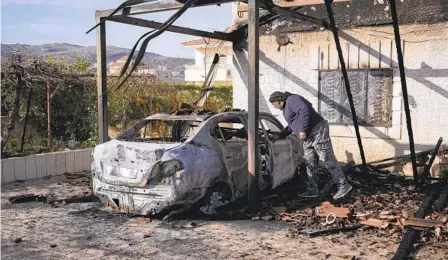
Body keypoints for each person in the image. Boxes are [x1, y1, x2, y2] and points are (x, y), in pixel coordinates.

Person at [269, 91, 352, 200]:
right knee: (309, 161)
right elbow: (291, 125)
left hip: (317, 130)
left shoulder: (292, 99)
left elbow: (304, 110)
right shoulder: (286, 107)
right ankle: (312, 190)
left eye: (274, 104)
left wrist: (302, 130)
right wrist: (280, 136)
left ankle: (343, 185)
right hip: (308, 135)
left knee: (326, 157)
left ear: (279, 100)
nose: (274, 107)